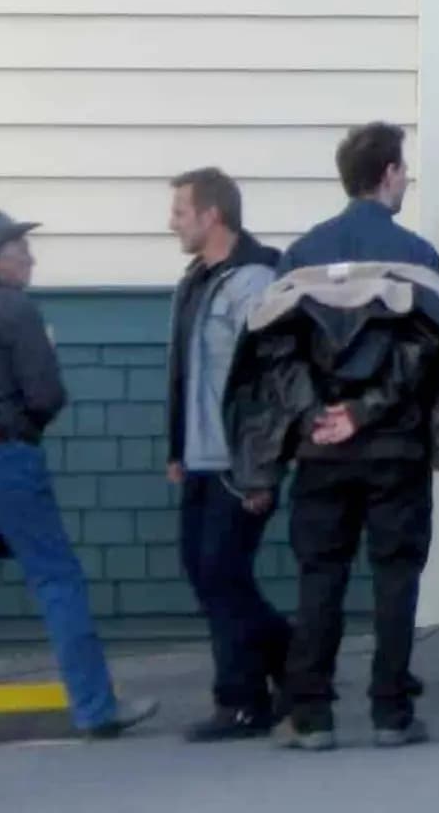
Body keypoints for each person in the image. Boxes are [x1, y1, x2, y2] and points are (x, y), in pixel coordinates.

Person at [0, 211, 159, 747]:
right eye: (22, 250)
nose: (31, 259)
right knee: (57, 580)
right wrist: (21, 431)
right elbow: (46, 395)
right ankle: (96, 709)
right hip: (4, 457)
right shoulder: (16, 309)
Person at [228, 252, 439, 751]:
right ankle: (392, 713)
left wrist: (317, 417)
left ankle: (312, 716)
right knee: (396, 580)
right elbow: (428, 354)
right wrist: (363, 412)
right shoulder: (410, 273)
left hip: (321, 454)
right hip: (396, 454)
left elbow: (275, 360)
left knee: (320, 579)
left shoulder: (301, 276)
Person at [164, 168, 292, 742]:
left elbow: (270, 384)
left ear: (212, 215)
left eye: (180, 212)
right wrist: (177, 448)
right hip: (199, 457)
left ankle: (242, 700)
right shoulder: (196, 281)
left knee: (221, 573)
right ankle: (293, 661)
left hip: (238, 462)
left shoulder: (255, 281)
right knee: (207, 572)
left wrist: (260, 471)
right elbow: (185, 372)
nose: (172, 223)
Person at [283, 121, 439, 273]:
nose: (406, 182)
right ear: (390, 173)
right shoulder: (419, 256)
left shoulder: (299, 255)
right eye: (404, 172)